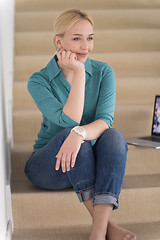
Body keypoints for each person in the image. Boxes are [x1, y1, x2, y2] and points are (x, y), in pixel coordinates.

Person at [25, 9, 136, 240]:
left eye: (90, 38)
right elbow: (70, 121)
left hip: (87, 158)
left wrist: (80, 133)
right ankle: (108, 228)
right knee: (72, 134)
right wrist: (79, 71)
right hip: (49, 165)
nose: (86, 46)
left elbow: (105, 121)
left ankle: (97, 232)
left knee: (114, 136)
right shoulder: (39, 80)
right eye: (77, 38)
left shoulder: (104, 71)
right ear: (58, 41)